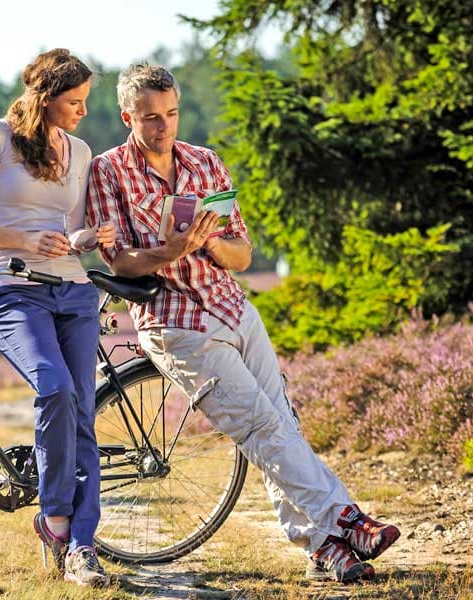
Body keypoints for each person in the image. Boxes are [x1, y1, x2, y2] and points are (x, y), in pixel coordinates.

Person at [85, 63, 401, 584]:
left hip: (233, 308)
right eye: (150, 119)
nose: (164, 127)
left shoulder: (206, 163)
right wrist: (168, 250)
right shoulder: (107, 171)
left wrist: (207, 240)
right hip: (173, 320)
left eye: (171, 114)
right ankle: (346, 520)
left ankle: (324, 549)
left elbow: (242, 254)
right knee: (261, 426)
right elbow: (118, 263)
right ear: (127, 117)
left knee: (280, 425)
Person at [0, 48, 115, 587]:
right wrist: (23, 240)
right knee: (55, 387)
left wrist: (91, 238)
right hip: (9, 289)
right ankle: (56, 520)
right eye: (74, 101)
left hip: (73, 290)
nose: (83, 111)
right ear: (45, 98)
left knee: (83, 411)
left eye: (86, 101)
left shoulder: (80, 150)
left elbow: (73, 228)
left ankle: (81, 546)